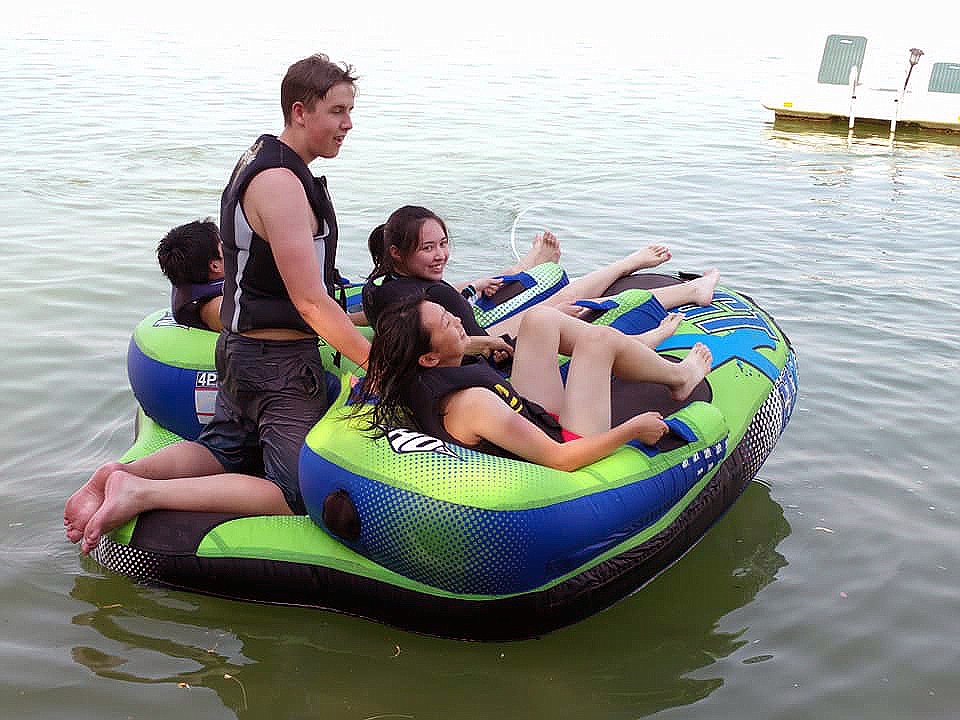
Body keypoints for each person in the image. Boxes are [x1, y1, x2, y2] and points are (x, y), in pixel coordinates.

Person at [65, 53, 370, 555]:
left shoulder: (258, 159)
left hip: (240, 351)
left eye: (350, 111)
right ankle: (141, 491)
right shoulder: (282, 184)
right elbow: (311, 302)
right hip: (279, 366)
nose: (347, 123)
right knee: (295, 495)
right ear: (300, 111)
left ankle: (120, 473)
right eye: (337, 111)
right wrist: (376, 363)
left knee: (226, 450)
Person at [356, 294, 713, 470]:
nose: (458, 321)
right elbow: (559, 459)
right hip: (565, 442)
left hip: (529, 417)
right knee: (598, 341)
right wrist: (631, 430)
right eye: (449, 324)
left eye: (449, 314)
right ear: (429, 358)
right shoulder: (470, 404)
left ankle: (634, 349)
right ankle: (680, 376)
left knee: (540, 319)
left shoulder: (411, 375)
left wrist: (489, 343)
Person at [361, 205, 718, 352]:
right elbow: (445, 348)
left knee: (563, 296)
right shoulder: (407, 301)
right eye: (428, 248)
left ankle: (625, 265)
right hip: (492, 348)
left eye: (442, 244)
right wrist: (496, 345)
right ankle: (688, 290)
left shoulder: (381, 286)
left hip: (483, 332)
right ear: (397, 253)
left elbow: (433, 294)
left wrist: (472, 287)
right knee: (581, 305)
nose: (440, 255)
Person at [157, 218, 225, 331]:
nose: (233, 245)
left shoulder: (190, 274)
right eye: (223, 244)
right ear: (215, 266)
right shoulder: (211, 308)